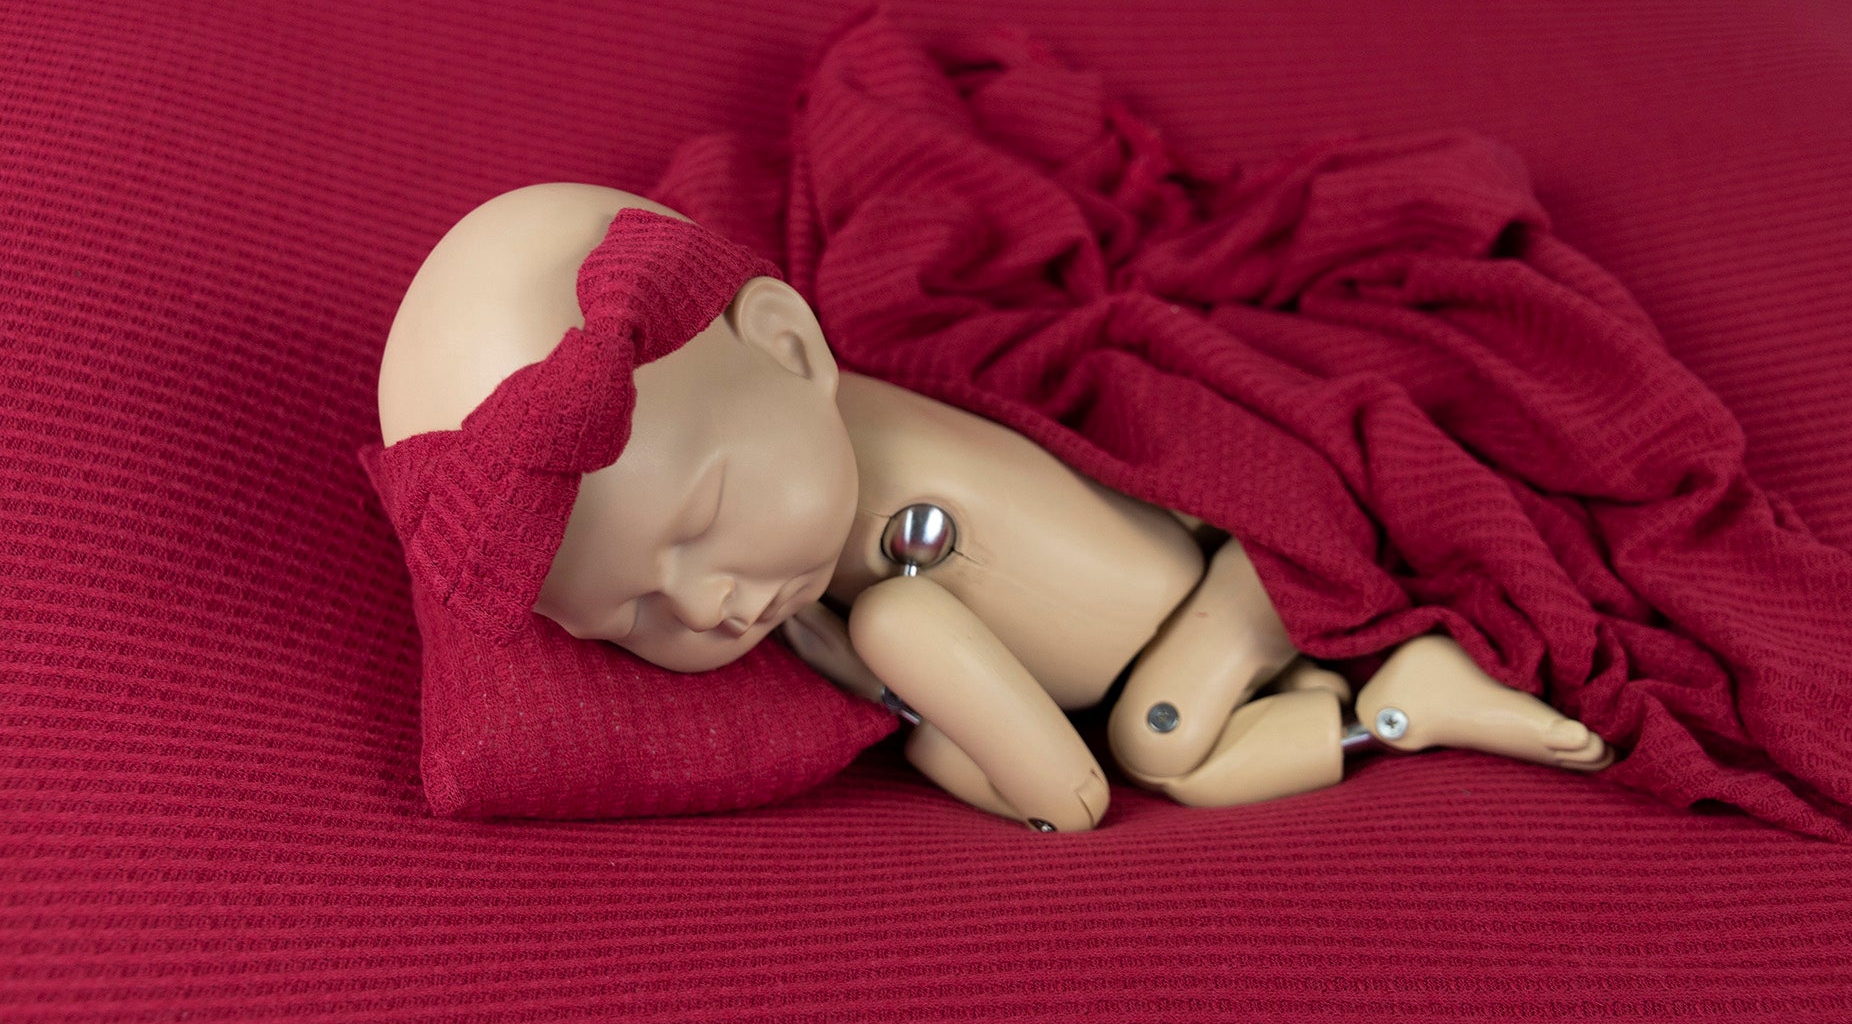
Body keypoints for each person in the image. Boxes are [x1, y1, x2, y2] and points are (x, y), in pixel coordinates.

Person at [376, 182, 1613, 832]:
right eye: (634, 615)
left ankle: (1397, 708)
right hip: (1155, 622)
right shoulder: (815, 565)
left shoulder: (883, 601)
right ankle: (1385, 691)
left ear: (791, 344)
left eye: (702, 516)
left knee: (1162, 748)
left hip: (1224, 582)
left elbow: (1065, 793)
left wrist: (920, 697)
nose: (707, 605)